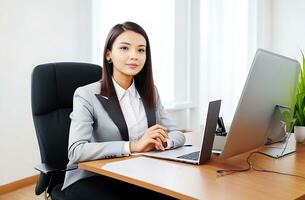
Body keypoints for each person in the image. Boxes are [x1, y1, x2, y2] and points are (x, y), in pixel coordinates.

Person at [62, 21, 185, 199]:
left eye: (141, 50)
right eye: (125, 48)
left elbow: (177, 134)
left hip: (138, 174)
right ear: (108, 54)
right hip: (93, 177)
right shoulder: (86, 94)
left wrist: (161, 142)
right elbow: (76, 151)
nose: (134, 56)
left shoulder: (150, 92)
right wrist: (134, 146)